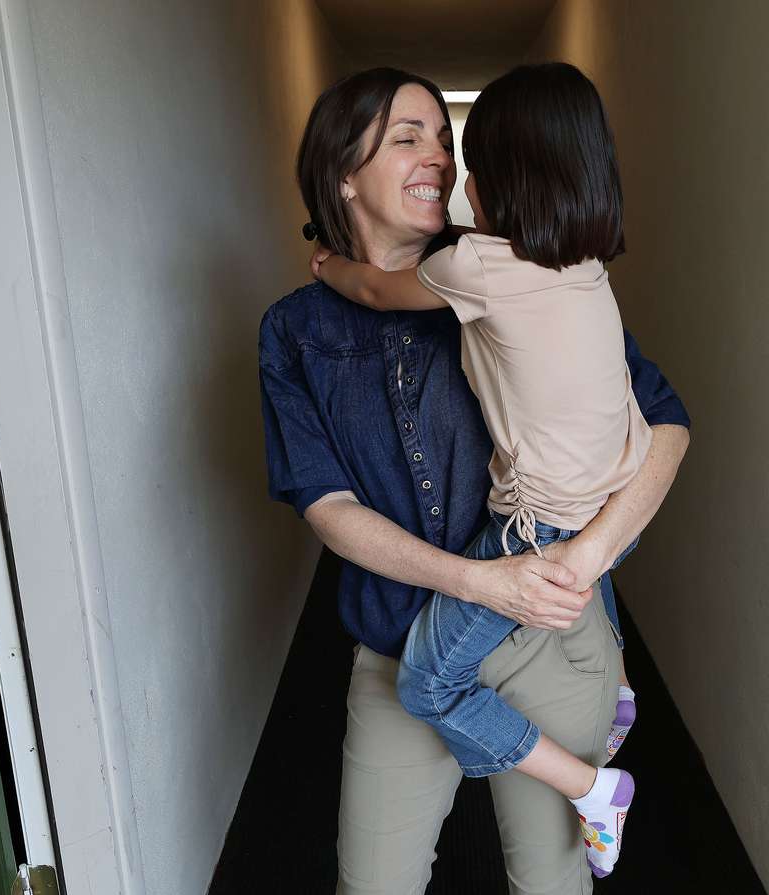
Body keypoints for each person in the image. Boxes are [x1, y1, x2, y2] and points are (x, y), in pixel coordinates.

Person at [259, 66, 690, 894]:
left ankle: (605, 720)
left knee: (549, 883)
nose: (440, 159)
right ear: (343, 173)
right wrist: (481, 581)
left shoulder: (516, 268)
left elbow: (664, 421)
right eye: (407, 135)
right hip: (396, 646)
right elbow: (327, 505)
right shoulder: (295, 330)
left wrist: (590, 554)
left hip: (552, 642)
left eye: (446, 140)